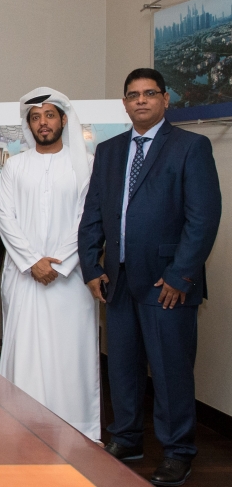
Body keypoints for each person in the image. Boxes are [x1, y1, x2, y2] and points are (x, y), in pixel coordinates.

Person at [79, 68, 221, 487]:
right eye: (133, 94)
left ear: (165, 99)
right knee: (122, 367)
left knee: (170, 370)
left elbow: (203, 219)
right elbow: (93, 213)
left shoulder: (191, 147)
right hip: (117, 279)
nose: (141, 100)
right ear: (124, 103)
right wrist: (91, 267)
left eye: (149, 93)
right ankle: (126, 439)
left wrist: (180, 275)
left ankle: (178, 452)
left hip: (167, 283)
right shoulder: (108, 151)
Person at [0, 88, 99, 441]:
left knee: (70, 353)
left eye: (50, 115)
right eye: (36, 117)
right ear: (29, 124)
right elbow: (5, 217)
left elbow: (88, 219)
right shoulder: (15, 165)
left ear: (63, 120)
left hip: (70, 277)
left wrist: (59, 262)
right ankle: (19, 426)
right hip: (24, 275)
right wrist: (32, 262)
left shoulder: (85, 164)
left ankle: (77, 429)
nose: (43, 123)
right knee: (24, 351)